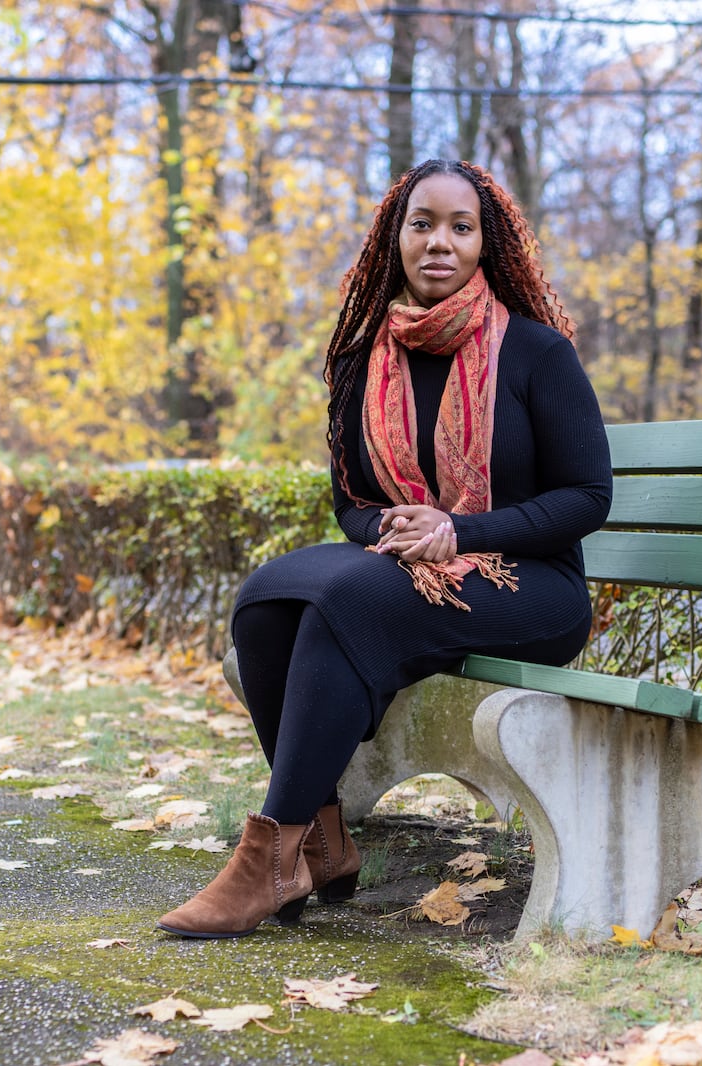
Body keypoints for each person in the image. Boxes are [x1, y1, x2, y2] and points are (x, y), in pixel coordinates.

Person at [157, 159, 612, 939]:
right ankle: (324, 841)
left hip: (532, 587)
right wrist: (394, 532)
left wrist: (457, 530)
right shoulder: (362, 360)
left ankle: (269, 853)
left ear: (486, 243)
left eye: (460, 227)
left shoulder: (536, 352)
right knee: (268, 599)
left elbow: (587, 497)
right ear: (392, 239)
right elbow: (352, 504)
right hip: (414, 573)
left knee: (348, 598)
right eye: (422, 223)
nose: (440, 241)